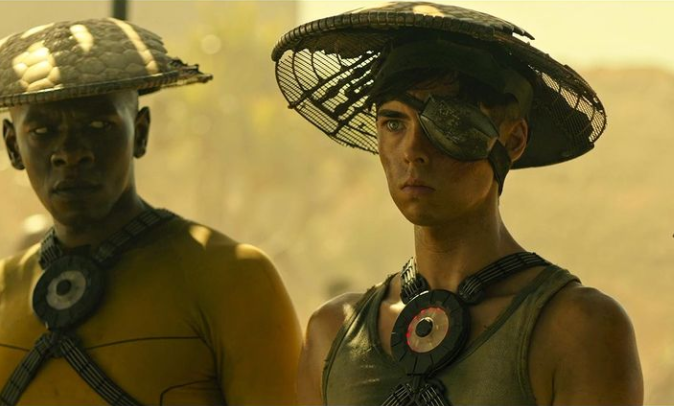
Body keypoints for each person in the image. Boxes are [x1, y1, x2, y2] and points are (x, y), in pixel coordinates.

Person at [271, 3, 642, 405]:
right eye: (394, 123)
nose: (412, 150)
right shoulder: (332, 335)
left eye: (447, 121)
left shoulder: (575, 329)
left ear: (513, 141)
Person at [0, 18, 301, 405]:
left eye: (98, 125)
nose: (71, 153)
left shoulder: (232, 278)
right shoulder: (4, 289)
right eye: (42, 132)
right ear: (12, 147)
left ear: (140, 132)